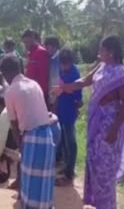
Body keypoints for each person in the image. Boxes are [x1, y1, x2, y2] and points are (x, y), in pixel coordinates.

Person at [53, 35, 124, 209]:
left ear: (110, 52)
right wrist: (66, 87)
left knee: (105, 172)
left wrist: (114, 129)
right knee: (95, 166)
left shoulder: (120, 74)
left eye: (101, 50)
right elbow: (85, 81)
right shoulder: (102, 66)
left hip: (109, 128)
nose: (99, 53)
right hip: (96, 126)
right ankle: (98, 204)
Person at [1, 56, 55, 209]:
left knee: (30, 182)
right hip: (47, 136)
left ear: (6, 73)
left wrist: (21, 146)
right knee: (45, 180)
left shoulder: (10, 91)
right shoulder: (34, 84)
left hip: (31, 138)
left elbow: (14, 124)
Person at [55, 47, 82, 186]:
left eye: (66, 64)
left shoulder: (75, 73)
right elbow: (60, 88)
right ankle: (66, 166)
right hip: (61, 109)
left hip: (70, 112)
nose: (64, 67)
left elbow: (79, 99)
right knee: (64, 140)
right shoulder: (61, 71)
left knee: (71, 142)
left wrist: (77, 106)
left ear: (71, 62)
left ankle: (69, 173)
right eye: (62, 64)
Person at [23, 29, 49, 102]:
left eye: (28, 42)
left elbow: (44, 77)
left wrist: (39, 93)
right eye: (24, 42)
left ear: (33, 39)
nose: (26, 45)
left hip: (39, 93)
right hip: (30, 92)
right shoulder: (29, 54)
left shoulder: (41, 52)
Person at [44, 36, 61, 112]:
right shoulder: (51, 59)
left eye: (48, 47)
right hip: (52, 96)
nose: (46, 50)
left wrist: (56, 101)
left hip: (59, 98)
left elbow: (60, 81)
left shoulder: (60, 59)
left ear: (55, 46)